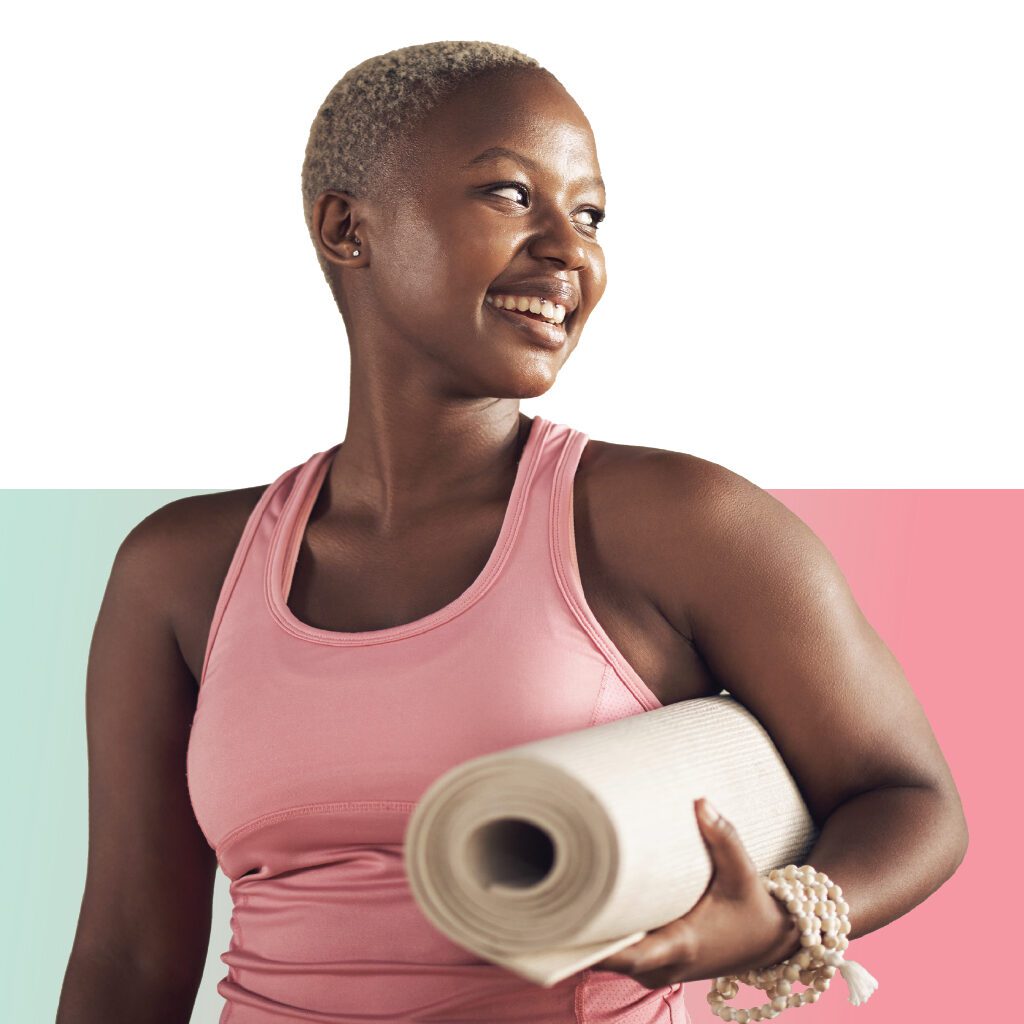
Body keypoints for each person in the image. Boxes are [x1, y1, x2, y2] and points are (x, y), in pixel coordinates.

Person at [57, 40, 968, 1024]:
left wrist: (783, 915)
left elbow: (912, 799)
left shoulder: (673, 524)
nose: (570, 250)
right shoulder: (181, 571)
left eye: (588, 214)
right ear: (346, 228)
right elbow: (128, 953)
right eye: (509, 194)